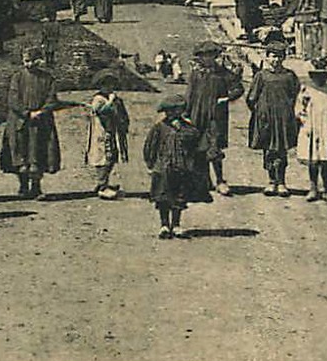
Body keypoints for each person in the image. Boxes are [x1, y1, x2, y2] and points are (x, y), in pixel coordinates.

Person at [143, 93, 213, 239]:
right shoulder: (159, 127)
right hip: (163, 167)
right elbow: (150, 146)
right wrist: (150, 164)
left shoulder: (188, 128)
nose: (171, 114)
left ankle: (175, 224)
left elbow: (197, 142)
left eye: (174, 111)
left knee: (178, 197)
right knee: (163, 197)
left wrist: (182, 129)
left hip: (182, 167)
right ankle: (163, 225)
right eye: (168, 111)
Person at [1, 45, 62, 199]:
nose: (29, 64)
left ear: (39, 61)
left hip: (41, 121)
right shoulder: (17, 77)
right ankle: (22, 186)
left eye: (32, 61)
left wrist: (41, 111)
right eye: (26, 61)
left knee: (38, 153)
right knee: (21, 153)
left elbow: (52, 98)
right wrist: (26, 113)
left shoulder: (47, 78)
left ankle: (36, 187)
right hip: (20, 121)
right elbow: (13, 99)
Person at [186, 40, 245, 196]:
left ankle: (220, 180)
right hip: (197, 115)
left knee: (214, 147)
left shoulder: (222, 73)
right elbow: (190, 95)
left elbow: (238, 88)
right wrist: (186, 114)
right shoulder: (196, 74)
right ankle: (203, 181)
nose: (208, 59)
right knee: (198, 147)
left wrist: (226, 98)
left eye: (211, 55)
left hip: (215, 117)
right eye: (205, 56)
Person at [246, 36, 301, 196]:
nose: (275, 60)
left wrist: (291, 113)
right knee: (269, 150)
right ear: (267, 57)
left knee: (282, 150)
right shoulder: (261, 76)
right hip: (266, 118)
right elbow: (251, 98)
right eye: (272, 56)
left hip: (284, 119)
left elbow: (296, 95)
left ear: (284, 58)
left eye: (279, 56)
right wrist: (260, 113)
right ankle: (271, 181)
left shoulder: (289, 76)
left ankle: (282, 182)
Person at [295, 58, 327, 203]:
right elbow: (300, 108)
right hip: (312, 127)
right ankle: (313, 188)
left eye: (323, 75)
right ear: (311, 76)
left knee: (325, 159)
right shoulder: (307, 90)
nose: (320, 79)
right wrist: (304, 122)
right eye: (316, 75)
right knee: (313, 160)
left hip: (326, 127)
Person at [83, 71, 130, 200]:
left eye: (111, 85)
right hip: (101, 133)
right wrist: (110, 101)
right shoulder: (98, 99)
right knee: (103, 158)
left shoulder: (114, 98)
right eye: (106, 85)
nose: (109, 88)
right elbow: (101, 111)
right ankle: (102, 185)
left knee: (112, 156)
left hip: (112, 131)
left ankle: (104, 182)